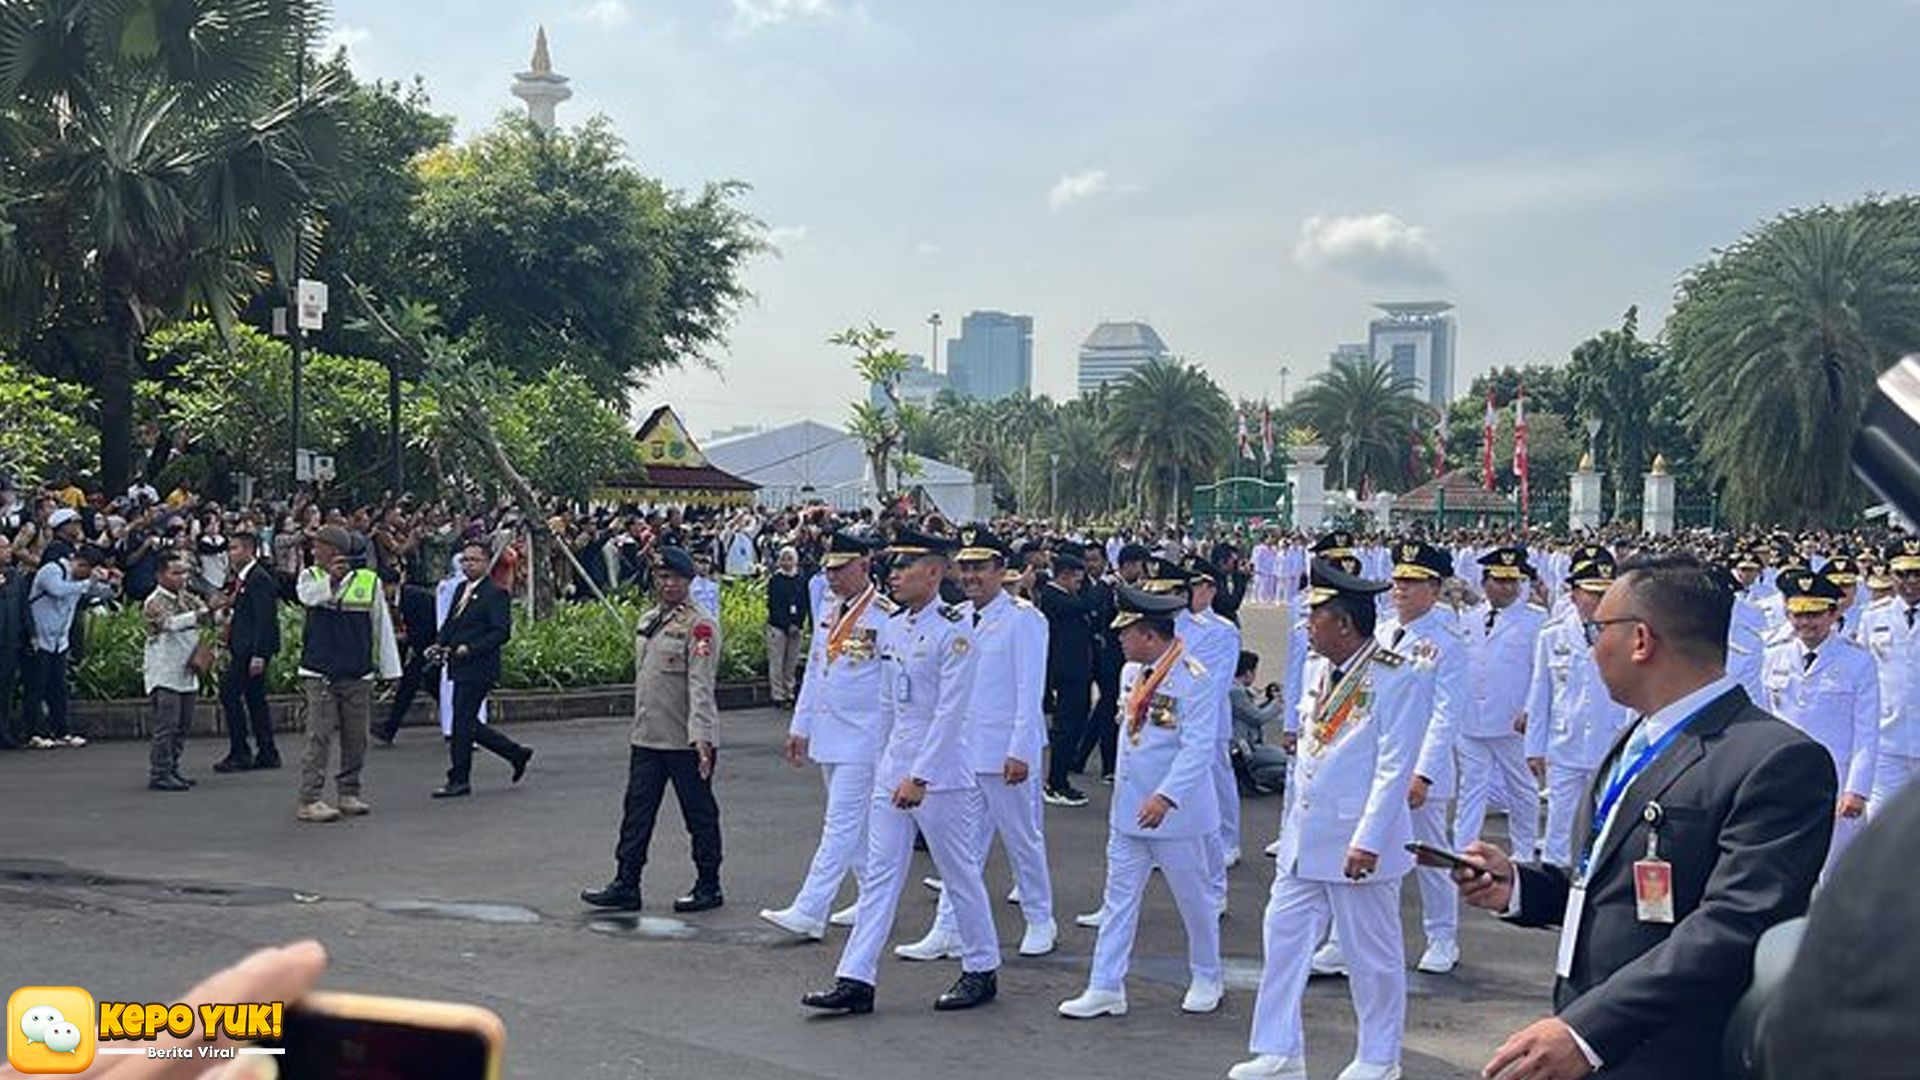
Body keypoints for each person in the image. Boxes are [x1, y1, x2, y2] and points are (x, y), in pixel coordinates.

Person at [1453, 552, 1835, 1080]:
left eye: (1596, 630)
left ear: (1640, 640)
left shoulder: (1775, 759)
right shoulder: (1640, 738)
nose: (1590, 650)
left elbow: (1733, 924)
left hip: (1675, 1052)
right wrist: (1521, 887)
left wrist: (1587, 1032)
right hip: (1602, 1038)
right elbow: (1623, 886)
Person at [1231, 558, 1433, 1080]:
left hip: (1357, 841)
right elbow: (1311, 758)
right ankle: (1279, 1050)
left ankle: (1378, 1057)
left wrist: (1368, 839)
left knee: (1373, 958)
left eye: (1315, 617)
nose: (1306, 627)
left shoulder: (1397, 674)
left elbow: (1393, 766)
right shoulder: (1323, 670)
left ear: (1344, 623)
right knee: (1282, 941)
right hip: (1307, 837)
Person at [800, 528, 1000, 1016]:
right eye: (892, 565)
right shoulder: (894, 626)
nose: (894, 574)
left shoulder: (955, 629)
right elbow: (889, 706)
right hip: (893, 767)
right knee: (882, 876)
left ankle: (981, 967)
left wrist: (921, 774)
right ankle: (855, 978)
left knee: (959, 874)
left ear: (933, 571)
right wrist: (884, 764)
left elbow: (950, 714)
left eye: (905, 566)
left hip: (940, 775)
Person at [1058, 583, 1225, 1020]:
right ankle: (1105, 985)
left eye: (1125, 632)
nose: (1118, 638)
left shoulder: (1195, 678)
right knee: (1118, 901)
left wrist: (1166, 797)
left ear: (1149, 636)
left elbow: (1198, 748)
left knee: (1196, 901)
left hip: (1178, 815)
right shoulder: (1131, 673)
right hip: (1130, 810)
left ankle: (1208, 976)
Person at [897, 526, 1056, 961]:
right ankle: (949, 927)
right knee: (960, 851)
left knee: (1022, 838)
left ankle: (1040, 918)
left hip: (1005, 750)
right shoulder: (955, 617)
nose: (970, 576)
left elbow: (1029, 689)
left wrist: (1021, 750)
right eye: (964, 567)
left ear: (1001, 570)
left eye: (980, 568)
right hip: (964, 753)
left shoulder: (1024, 618)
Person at [1317, 539, 1469, 979]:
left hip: (1420, 773)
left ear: (1436, 589)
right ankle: (1342, 941)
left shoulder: (1446, 643)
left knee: (1431, 856)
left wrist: (1422, 774)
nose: (1401, 589)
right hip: (1372, 765)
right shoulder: (1379, 632)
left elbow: (1446, 716)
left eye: (1413, 582)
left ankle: (1442, 936)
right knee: (1359, 848)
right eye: (1399, 579)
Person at [762, 532, 891, 939]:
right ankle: (874, 898)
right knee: (855, 829)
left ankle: (810, 909)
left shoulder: (885, 615)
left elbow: (890, 689)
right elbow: (816, 671)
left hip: (865, 737)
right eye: (828, 569)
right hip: (830, 733)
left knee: (840, 824)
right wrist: (800, 727)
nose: (832, 577)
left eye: (841, 568)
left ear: (864, 566)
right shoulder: (830, 610)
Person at [581, 546, 724, 914]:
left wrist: (702, 736)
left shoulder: (700, 624)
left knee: (699, 814)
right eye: (662, 577)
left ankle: (708, 884)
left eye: (675, 577)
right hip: (647, 735)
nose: (668, 583)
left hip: (685, 738)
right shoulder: (648, 619)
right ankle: (626, 882)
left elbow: (701, 685)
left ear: (689, 580)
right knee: (636, 812)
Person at [1760, 569, 1876, 876]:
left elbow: (1867, 732)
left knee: (1838, 870)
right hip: (1783, 776)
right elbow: (1762, 720)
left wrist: (1858, 789)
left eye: (1814, 614)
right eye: (1798, 614)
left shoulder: (1858, 661)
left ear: (1833, 613)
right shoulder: (1774, 656)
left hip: (1836, 778)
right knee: (1783, 867)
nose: (1805, 623)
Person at [1525, 552, 1634, 869]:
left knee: (1606, 822)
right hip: (1565, 744)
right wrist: (1534, 747)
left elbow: (1634, 695)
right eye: (1593, 593)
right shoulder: (1552, 634)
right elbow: (1540, 693)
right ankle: (1553, 884)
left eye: (1606, 592)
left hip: (1610, 742)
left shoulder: (1627, 636)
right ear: (1573, 594)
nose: (1601, 601)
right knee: (1560, 822)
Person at [293, 527, 402, 823]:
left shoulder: (369, 581)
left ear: (336, 549)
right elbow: (308, 598)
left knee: (357, 738)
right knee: (319, 736)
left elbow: (381, 626)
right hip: (320, 671)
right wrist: (333, 579)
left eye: (319, 546)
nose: (314, 551)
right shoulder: (311, 577)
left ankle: (348, 792)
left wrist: (391, 670)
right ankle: (309, 797)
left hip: (357, 670)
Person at [1455, 546, 1546, 864]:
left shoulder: (1537, 621)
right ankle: (1464, 848)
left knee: (1521, 788)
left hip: (1512, 719)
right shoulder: (1468, 618)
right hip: (1470, 718)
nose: (1508, 587)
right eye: (1500, 581)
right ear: (1485, 582)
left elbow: (1541, 674)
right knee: (1471, 788)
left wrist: (1531, 712)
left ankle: (1522, 851)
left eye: (1513, 581)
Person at [431, 540, 533, 798]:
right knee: (466, 723)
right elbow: (452, 623)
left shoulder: (495, 593)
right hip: (457, 663)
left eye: (474, 560)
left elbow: (501, 632)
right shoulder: (461, 589)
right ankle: (515, 752)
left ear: (487, 563)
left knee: (462, 723)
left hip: (479, 666)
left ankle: (459, 779)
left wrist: (471, 648)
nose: (468, 564)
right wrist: (440, 642)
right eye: (465, 560)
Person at [23, 533, 114, 748]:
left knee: (59, 689)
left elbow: (97, 592)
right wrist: (86, 583)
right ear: (81, 563)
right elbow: (58, 590)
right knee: (36, 688)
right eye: (85, 570)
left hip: (60, 641)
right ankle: (35, 733)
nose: (84, 576)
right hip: (39, 639)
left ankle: (62, 731)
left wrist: (110, 586)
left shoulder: (81, 580)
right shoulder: (52, 570)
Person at [142, 555, 219, 791]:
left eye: (184, 573)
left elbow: (211, 618)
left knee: (183, 725)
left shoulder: (188, 598)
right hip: (164, 670)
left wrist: (219, 609)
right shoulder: (153, 601)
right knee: (166, 725)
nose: (182, 578)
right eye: (176, 573)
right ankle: (159, 772)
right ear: (160, 575)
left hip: (187, 668)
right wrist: (205, 611)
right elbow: (170, 623)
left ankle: (173, 768)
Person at [1857, 537, 1920, 812]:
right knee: (1881, 825)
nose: (1910, 581)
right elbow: (1864, 676)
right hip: (1887, 739)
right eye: (1902, 573)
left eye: (1917, 573)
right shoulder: (1872, 617)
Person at [214, 531, 282, 772]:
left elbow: (266, 619)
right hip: (243, 646)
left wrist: (259, 654)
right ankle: (267, 750)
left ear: (249, 550)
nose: (230, 554)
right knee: (255, 699)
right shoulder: (241, 579)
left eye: (234, 548)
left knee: (229, 693)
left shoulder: (258, 579)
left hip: (250, 649)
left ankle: (240, 751)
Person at [1039, 545, 1097, 806]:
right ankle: (1055, 782)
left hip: (1078, 671)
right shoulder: (1053, 596)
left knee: (1075, 725)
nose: (1080, 583)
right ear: (1063, 575)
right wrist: (1097, 589)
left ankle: (1061, 780)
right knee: (1065, 729)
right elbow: (1085, 606)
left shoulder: (1068, 597)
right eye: (1077, 577)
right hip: (1065, 673)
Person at [371, 567, 440, 745]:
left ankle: (389, 729)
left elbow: (428, 627)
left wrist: (406, 637)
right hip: (414, 647)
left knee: (409, 685)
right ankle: (458, 719)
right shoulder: (387, 603)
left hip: (431, 645)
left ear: (393, 585)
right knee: (431, 686)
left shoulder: (416, 598)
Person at [1229, 650, 1289, 795]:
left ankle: (1256, 775)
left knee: (1285, 760)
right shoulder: (1235, 692)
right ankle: (1256, 777)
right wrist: (1278, 702)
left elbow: (1250, 713)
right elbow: (1257, 717)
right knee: (1289, 763)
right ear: (1249, 673)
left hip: (1250, 747)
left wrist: (1268, 700)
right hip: (1245, 750)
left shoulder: (1235, 688)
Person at [765, 546, 809, 708]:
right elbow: (773, 604)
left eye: (790, 558)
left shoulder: (801, 579)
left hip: (796, 627)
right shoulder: (775, 580)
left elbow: (804, 603)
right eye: (783, 558)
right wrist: (786, 624)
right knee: (777, 661)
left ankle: (789, 692)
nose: (786, 562)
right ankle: (778, 695)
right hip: (777, 626)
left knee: (791, 662)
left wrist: (798, 623)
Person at [0, 533, 28, 750]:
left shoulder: (15, 577)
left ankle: (4, 732)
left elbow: (23, 609)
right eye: (2, 548)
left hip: (9, 642)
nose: (6, 552)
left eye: (8, 547)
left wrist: (29, 634)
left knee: (6, 689)